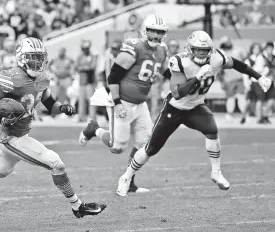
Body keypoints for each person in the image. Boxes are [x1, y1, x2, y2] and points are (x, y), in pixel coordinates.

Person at [0, 37, 106, 218]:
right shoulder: (12, 78)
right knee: (56, 163)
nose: (37, 61)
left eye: (40, 57)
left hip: (20, 133)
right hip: (10, 137)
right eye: (32, 57)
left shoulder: (42, 78)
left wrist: (62, 108)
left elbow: (49, 103)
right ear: (22, 58)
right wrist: (0, 118)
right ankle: (77, 206)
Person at [116, 30, 272, 196]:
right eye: (198, 49)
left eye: (204, 50)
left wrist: (259, 77)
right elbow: (177, 93)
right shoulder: (179, 61)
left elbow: (238, 64)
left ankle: (216, 172)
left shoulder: (217, 57)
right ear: (190, 48)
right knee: (151, 149)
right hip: (174, 109)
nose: (201, 53)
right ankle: (126, 178)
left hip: (196, 107)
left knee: (212, 130)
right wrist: (197, 78)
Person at [79, 14, 171, 193]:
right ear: (145, 31)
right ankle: (94, 129)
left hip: (141, 104)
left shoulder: (162, 51)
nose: (156, 36)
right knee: (117, 147)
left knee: (145, 144)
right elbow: (113, 76)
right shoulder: (134, 47)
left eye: (160, 32)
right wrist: (118, 103)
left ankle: (129, 181)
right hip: (123, 101)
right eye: (153, 31)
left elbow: (167, 73)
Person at [240, 43, 269, 124]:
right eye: (255, 48)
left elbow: (266, 69)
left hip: (259, 82)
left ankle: (259, 118)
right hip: (251, 82)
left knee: (260, 100)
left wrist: (262, 75)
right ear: (252, 49)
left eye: (258, 48)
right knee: (248, 101)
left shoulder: (262, 58)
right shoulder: (248, 60)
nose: (257, 50)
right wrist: (246, 84)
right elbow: (245, 73)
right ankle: (243, 116)